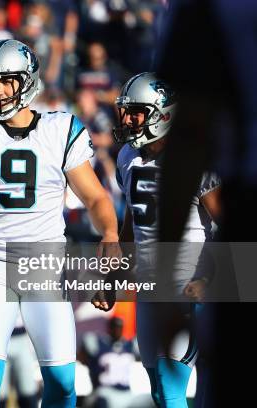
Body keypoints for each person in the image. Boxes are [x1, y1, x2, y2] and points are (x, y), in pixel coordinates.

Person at [0, 39, 121, 408]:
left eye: (5, 81)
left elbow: (96, 197)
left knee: (62, 381)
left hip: (43, 263)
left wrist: (110, 231)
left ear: (27, 81)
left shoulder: (60, 127)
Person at [92, 73, 221, 408]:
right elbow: (131, 227)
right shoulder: (126, 158)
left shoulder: (195, 159)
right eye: (127, 111)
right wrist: (113, 278)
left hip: (188, 285)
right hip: (149, 288)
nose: (129, 119)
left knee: (176, 383)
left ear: (163, 113)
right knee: (162, 391)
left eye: (137, 111)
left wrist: (209, 277)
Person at [78, 317, 139, 408]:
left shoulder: (129, 345)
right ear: (109, 328)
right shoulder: (98, 343)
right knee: (103, 402)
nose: (117, 330)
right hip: (104, 391)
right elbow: (82, 355)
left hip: (126, 393)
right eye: (114, 327)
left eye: (119, 327)